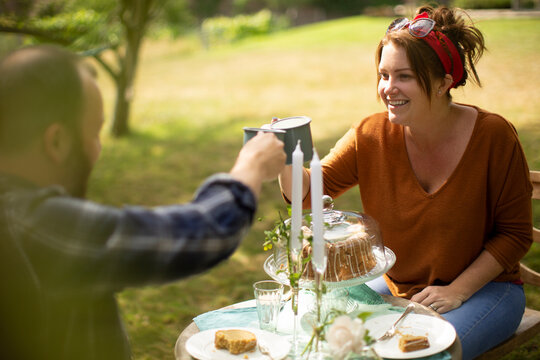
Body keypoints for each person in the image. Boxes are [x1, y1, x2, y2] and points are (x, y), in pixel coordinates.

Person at [0, 45, 286, 360]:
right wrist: (251, 166)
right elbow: (199, 234)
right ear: (57, 141)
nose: (98, 151)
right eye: (95, 134)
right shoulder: (32, 223)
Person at [279, 5, 532, 359]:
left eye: (404, 77)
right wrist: (284, 158)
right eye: (383, 75)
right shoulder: (370, 134)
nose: (388, 88)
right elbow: (308, 196)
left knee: (423, 353)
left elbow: (515, 235)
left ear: (444, 82)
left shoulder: (494, 136)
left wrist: (457, 291)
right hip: (398, 284)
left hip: (487, 290)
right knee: (315, 321)